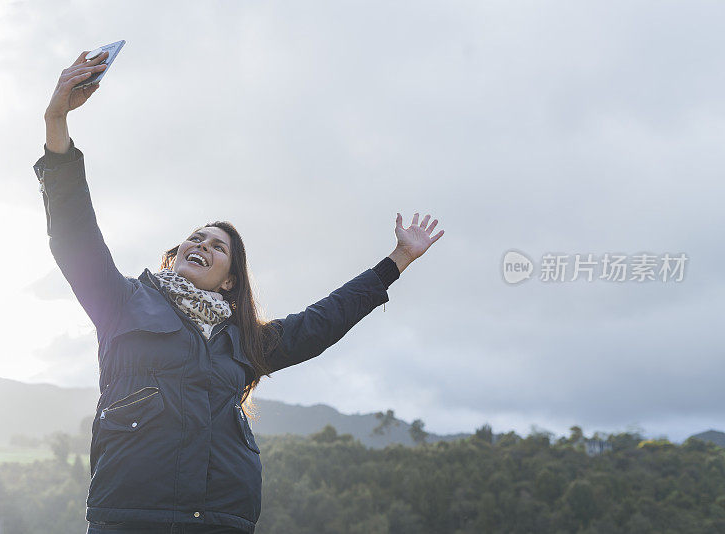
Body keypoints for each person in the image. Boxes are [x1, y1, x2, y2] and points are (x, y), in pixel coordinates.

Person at [33, 50, 445, 534]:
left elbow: (323, 321)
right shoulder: (122, 303)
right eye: (196, 238)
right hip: (132, 517)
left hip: (221, 520)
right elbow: (74, 230)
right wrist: (56, 120)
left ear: (230, 280)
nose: (202, 245)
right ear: (175, 254)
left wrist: (396, 262)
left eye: (218, 246)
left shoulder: (244, 340)